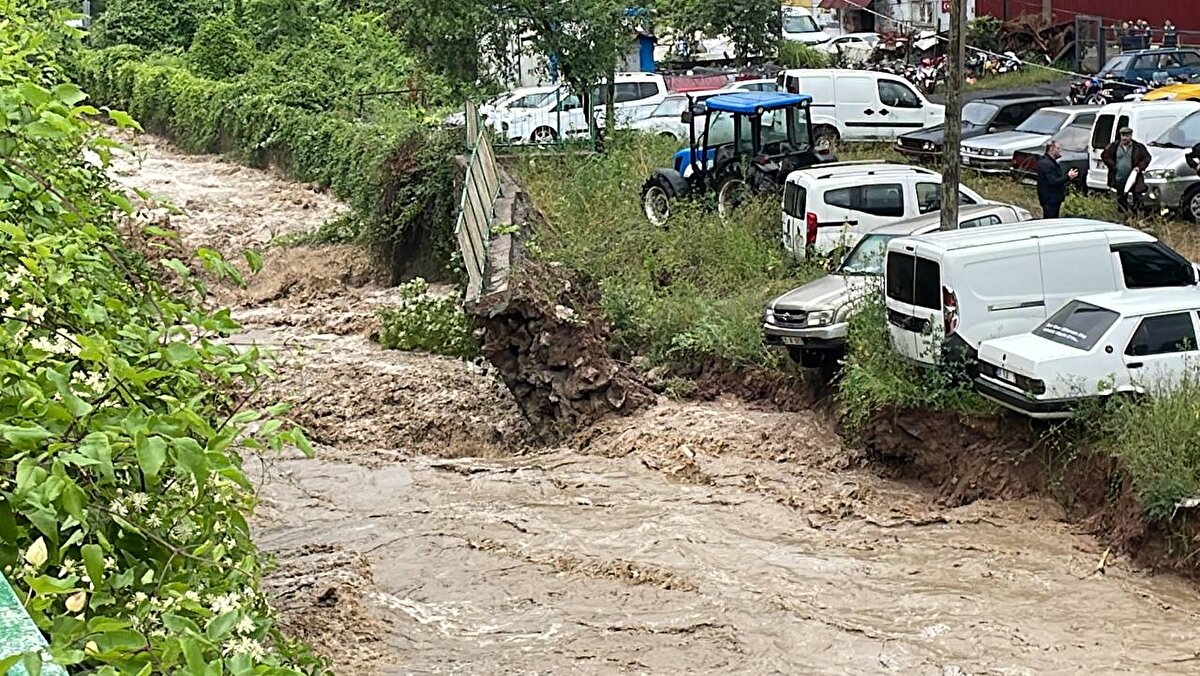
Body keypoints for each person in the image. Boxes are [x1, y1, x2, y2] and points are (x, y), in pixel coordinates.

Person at [1101, 127, 1151, 213]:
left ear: (1131, 136)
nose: (1124, 138)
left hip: (1134, 178)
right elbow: (1104, 156)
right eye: (1123, 135)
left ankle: (1138, 217)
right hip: (1119, 177)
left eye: (1127, 135)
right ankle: (1124, 217)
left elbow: (1147, 158)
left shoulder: (1138, 147)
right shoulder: (1114, 146)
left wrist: (1139, 167)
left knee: (1138, 198)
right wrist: (1113, 166)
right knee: (1121, 199)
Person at [1036, 140, 1078, 219]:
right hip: (1050, 199)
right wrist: (1068, 177)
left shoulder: (1050, 163)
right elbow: (1053, 181)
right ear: (1051, 149)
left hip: (1052, 199)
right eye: (1058, 148)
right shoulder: (1047, 164)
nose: (1060, 151)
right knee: (1050, 220)